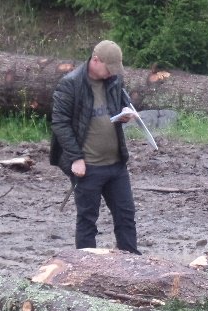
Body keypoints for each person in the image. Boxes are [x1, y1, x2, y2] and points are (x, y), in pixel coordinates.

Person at [50, 40, 140, 253]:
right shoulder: (70, 84)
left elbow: (119, 105)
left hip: (116, 165)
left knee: (126, 216)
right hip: (88, 167)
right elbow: (60, 123)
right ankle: (85, 266)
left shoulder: (114, 80)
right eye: (109, 68)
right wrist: (76, 158)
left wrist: (125, 113)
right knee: (87, 220)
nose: (112, 73)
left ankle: (132, 263)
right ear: (96, 60)